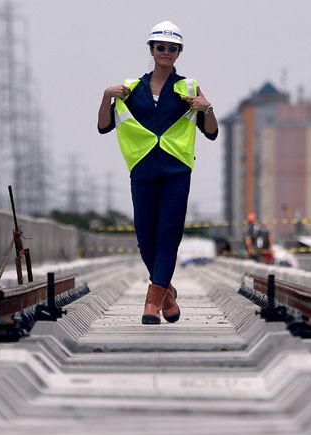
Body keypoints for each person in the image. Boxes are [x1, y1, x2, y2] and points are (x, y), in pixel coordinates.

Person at [97, 20, 218, 325]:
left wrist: (208, 107)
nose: (166, 52)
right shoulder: (131, 89)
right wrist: (106, 96)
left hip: (177, 169)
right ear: (151, 50)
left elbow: (212, 133)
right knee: (145, 238)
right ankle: (168, 293)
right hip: (142, 168)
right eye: (161, 47)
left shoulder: (188, 88)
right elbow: (103, 126)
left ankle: (152, 302)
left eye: (172, 48)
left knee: (168, 235)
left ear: (179, 53)